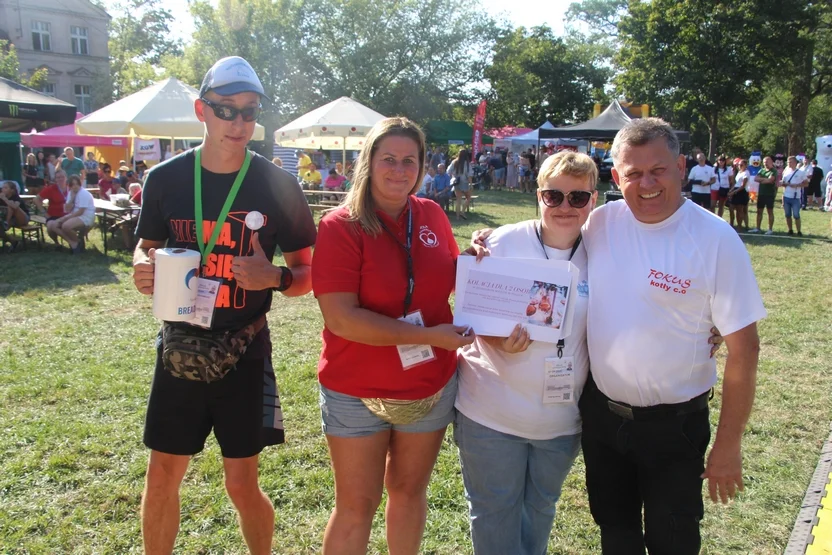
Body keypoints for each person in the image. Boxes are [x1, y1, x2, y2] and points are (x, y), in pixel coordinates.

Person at [131, 56, 316, 555]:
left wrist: (275, 276)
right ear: (201, 110)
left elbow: (308, 275)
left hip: (243, 349)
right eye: (225, 110)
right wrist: (142, 266)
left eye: (249, 112)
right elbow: (145, 246)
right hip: (180, 345)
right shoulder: (166, 179)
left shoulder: (279, 185)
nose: (238, 123)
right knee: (164, 474)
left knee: (241, 484)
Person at [575, 118, 765, 554]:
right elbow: (546, 246)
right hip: (603, 419)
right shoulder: (599, 223)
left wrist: (728, 445)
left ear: (680, 166)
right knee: (615, 532)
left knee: (673, 539)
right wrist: (492, 242)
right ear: (616, 175)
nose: (646, 184)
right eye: (633, 173)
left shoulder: (714, 238)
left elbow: (745, 349)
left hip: (674, 428)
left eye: (657, 170)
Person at [312, 117, 474, 555]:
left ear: (422, 166)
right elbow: (341, 319)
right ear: (369, 161)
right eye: (389, 159)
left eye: (410, 160)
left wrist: (481, 263)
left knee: (408, 492)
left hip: (429, 383)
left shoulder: (432, 213)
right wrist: (433, 337)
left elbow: (450, 273)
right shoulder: (340, 226)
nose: (399, 170)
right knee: (355, 506)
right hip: (356, 388)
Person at [455, 151, 597, 555]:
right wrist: (495, 339)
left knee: (540, 510)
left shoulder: (605, 250)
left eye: (578, 197)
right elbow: (468, 311)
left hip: (561, 419)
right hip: (490, 412)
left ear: (594, 199)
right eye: (554, 196)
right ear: (538, 196)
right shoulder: (500, 241)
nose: (565, 207)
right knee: (494, 514)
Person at [54, 174, 96, 254]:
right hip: (75, 215)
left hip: (86, 216)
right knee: (54, 225)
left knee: (65, 226)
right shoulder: (71, 193)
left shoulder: (84, 193)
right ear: (70, 186)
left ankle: (77, 242)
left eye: (76, 184)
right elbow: (66, 209)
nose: (75, 186)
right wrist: (72, 198)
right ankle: (74, 243)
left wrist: (66, 218)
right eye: (72, 184)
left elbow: (81, 211)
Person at [35, 169, 69, 247]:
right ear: (55, 179)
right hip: (53, 215)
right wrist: (44, 213)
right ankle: (57, 243)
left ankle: (73, 241)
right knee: (50, 226)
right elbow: (36, 199)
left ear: (66, 178)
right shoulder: (51, 188)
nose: (60, 179)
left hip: (68, 214)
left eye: (62, 177)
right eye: (58, 177)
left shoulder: (71, 188)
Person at [781, 155, 808, 236]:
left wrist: (797, 185)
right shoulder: (786, 171)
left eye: (791, 162)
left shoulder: (801, 172)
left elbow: (806, 183)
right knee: (787, 215)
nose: (789, 163)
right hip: (786, 196)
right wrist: (784, 184)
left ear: (795, 163)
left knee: (796, 215)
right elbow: (783, 183)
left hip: (796, 197)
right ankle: (790, 230)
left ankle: (799, 231)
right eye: (788, 162)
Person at [0, 181, 30, 250]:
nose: (3, 189)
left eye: (6, 188)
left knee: (11, 205)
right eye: (3, 188)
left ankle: (6, 223)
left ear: (12, 190)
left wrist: (5, 199)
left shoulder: (16, 197)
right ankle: (14, 242)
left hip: (23, 218)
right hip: (12, 219)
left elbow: (15, 207)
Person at [750, 156, 777, 234]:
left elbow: (770, 180)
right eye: (764, 162)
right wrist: (765, 180)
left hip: (770, 194)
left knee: (770, 211)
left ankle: (770, 229)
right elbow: (756, 179)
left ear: (771, 162)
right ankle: (758, 228)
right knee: (759, 211)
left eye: (767, 162)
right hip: (761, 194)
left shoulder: (774, 171)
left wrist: (762, 180)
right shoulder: (761, 170)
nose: (765, 164)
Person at [449, 149, 473, 220]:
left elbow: (448, 171)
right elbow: (469, 175)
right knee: (468, 197)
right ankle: (462, 211)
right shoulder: (467, 164)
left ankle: (457, 217)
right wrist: (471, 184)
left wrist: (453, 176)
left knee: (458, 200)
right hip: (464, 182)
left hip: (456, 182)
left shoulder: (454, 162)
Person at [728, 159, 750, 231]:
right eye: (738, 165)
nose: (739, 166)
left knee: (739, 210)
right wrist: (731, 190)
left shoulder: (746, 173)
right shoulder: (739, 173)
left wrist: (734, 192)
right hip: (736, 190)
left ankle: (739, 226)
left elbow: (743, 185)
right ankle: (731, 224)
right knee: (731, 208)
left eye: (741, 165)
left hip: (742, 192)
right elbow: (735, 183)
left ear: (745, 165)